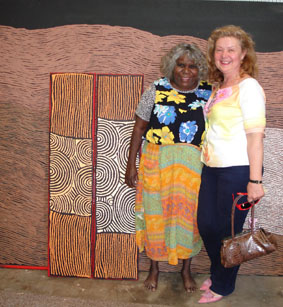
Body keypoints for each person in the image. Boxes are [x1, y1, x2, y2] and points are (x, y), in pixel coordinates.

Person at [125, 43, 212, 292]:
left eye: (193, 66)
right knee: (155, 215)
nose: (186, 70)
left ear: (200, 69)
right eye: (181, 64)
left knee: (188, 218)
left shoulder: (208, 93)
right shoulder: (156, 88)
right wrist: (131, 165)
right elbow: (139, 129)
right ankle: (154, 269)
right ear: (172, 66)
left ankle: (186, 269)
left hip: (192, 168)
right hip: (156, 163)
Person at [197, 25, 266, 303]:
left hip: (238, 171)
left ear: (243, 54)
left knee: (227, 232)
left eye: (231, 50)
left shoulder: (248, 87)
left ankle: (224, 285)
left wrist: (255, 180)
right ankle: (219, 271)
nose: (224, 55)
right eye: (219, 49)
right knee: (207, 225)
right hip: (212, 168)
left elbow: (255, 138)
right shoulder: (220, 88)